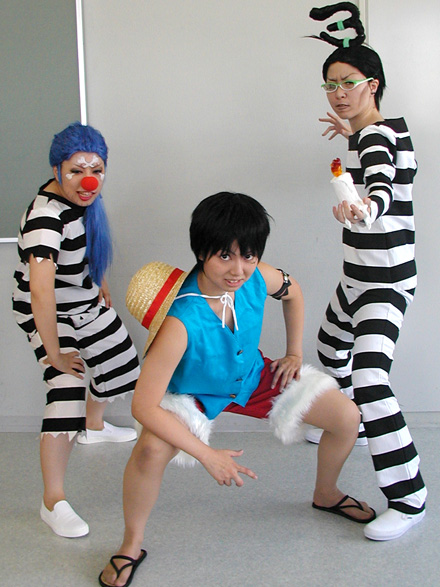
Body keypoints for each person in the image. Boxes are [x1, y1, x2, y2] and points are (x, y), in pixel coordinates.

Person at [99, 191, 375, 587]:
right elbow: (143, 407)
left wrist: (294, 352)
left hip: (251, 376)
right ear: (201, 252)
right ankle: (130, 545)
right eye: (224, 256)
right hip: (193, 394)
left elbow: (293, 291)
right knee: (148, 451)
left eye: (248, 255)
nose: (238, 269)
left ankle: (327, 494)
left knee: (347, 416)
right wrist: (208, 455)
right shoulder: (180, 321)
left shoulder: (257, 277)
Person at [309, 2, 427, 540]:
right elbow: (385, 156)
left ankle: (409, 498)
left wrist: (364, 208)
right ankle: (344, 423)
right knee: (330, 347)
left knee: (371, 378)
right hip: (356, 275)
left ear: (372, 85)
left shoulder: (377, 138)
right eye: (331, 84)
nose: (338, 92)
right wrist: (351, 132)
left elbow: (380, 185)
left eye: (348, 83)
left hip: (384, 280)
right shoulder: (378, 131)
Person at [12, 122, 140, 538]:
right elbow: (40, 292)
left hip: (80, 298)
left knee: (121, 361)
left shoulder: (82, 200)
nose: (89, 181)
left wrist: (97, 280)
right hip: (46, 309)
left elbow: (86, 245)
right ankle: (53, 500)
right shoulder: (44, 219)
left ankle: (94, 427)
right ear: (57, 170)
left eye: (97, 170)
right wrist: (54, 354)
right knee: (66, 390)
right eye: (76, 171)